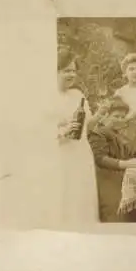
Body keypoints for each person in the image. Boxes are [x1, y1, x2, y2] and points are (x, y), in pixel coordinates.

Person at [56, 56, 100, 224]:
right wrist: (64, 131)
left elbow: (87, 126)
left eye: (74, 71)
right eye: (66, 71)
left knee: (83, 198)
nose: (72, 75)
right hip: (61, 153)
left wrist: (101, 115)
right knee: (64, 196)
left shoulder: (77, 95)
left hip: (81, 153)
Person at [88, 96, 136, 222]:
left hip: (121, 181)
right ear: (106, 116)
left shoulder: (119, 134)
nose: (119, 120)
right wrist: (125, 164)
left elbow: (132, 153)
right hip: (106, 181)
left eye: (122, 117)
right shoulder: (98, 133)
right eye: (116, 116)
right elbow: (100, 158)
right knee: (113, 215)